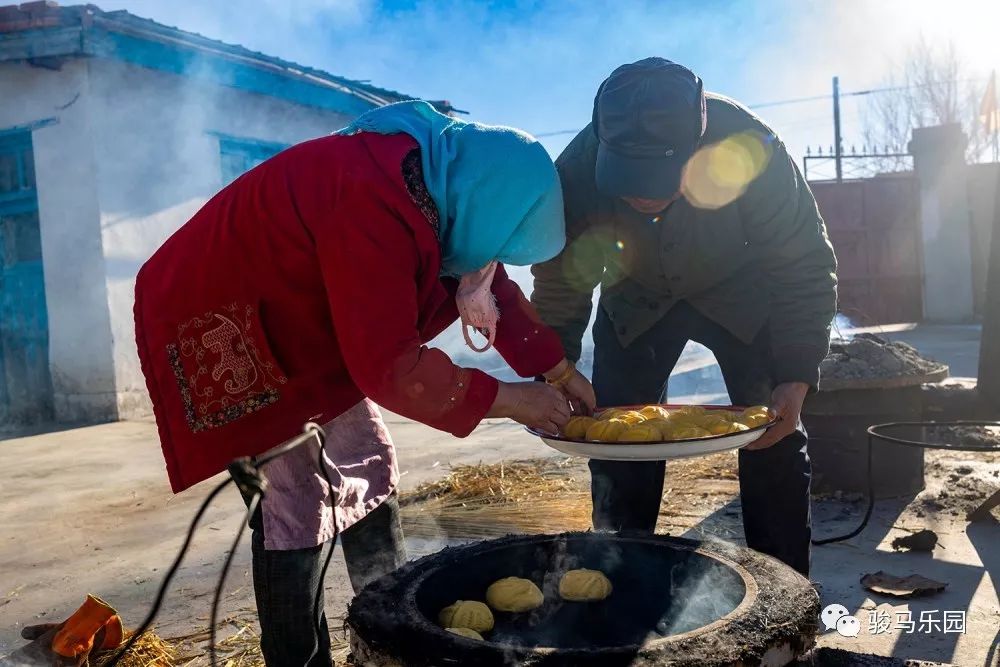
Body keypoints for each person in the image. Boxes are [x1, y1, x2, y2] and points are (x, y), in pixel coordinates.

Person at [134, 100, 596, 666]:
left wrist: (560, 370)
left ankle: (389, 628)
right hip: (233, 322)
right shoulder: (369, 195)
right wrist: (511, 399)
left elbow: (491, 288)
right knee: (295, 500)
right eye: (500, 243)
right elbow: (390, 367)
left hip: (312, 324)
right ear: (489, 201)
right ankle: (298, 658)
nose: (494, 260)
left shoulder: (445, 196)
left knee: (369, 461)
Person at [531, 58, 837, 576]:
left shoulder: (750, 148)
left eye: (658, 183)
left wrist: (796, 373)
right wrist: (555, 364)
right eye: (627, 183)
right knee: (617, 435)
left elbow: (802, 263)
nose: (643, 198)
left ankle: (787, 590)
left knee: (774, 434)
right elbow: (562, 274)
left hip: (740, 292)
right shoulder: (576, 170)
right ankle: (621, 573)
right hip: (636, 297)